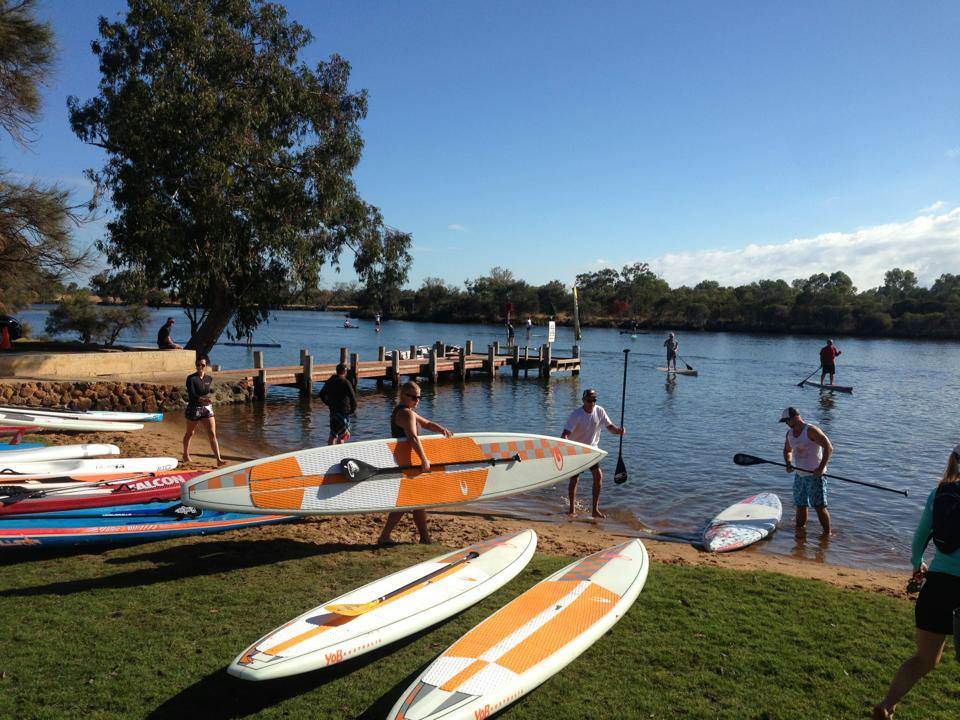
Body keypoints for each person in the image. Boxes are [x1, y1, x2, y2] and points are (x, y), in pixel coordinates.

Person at [872, 445, 960, 719]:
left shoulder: (940, 494)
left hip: (937, 586)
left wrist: (916, 563)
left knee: (924, 659)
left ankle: (887, 704)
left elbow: (921, 534)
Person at [377, 381, 454, 545]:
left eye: (419, 397)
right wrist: (424, 459)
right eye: (413, 397)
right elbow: (412, 437)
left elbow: (426, 423)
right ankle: (387, 537)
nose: (417, 400)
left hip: (404, 460)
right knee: (409, 500)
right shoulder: (406, 413)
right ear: (403, 396)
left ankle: (424, 538)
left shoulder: (406, 411)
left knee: (416, 500)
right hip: (407, 462)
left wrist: (442, 430)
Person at [562, 388, 625, 519]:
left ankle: (595, 510)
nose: (592, 403)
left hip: (592, 450)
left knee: (598, 476)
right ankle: (572, 509)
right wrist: (565, 445)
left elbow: (610, 427)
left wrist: (618, 431)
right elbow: (565, 434)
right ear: (583, 400)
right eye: (589, 400)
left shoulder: (600, 411)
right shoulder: (576, 415)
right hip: (576, 451)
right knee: (574, 479)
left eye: (594, 400)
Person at [780, 406, 833, 536]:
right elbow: (787, 450)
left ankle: (827, 534)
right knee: (800, 504)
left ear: (794, 418)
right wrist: (788, 463)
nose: (786, 424)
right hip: (800, 475)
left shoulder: (811, 430)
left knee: (819, 507)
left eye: (787, 421)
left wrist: (820, 469)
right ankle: (800, 533)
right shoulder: (790, 434)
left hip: (816, 476)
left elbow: (829, 448)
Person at [182, 355, 224, 465]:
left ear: (206, 366)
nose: (200, 367)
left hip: (206, 408)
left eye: (203, 365)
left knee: (212, 434)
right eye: (198, 365)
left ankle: (218, 459)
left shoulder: (209, 378)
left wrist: (211, 398)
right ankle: (185, 455)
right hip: (194, 407)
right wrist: (202, 399)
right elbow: (192, 394)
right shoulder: (191, 378)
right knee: (190, 433)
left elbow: (209, 392)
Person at [318, 363, 357, 444]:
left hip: (333, 412)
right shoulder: (346, 382)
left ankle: (331, 452)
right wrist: (353, 410)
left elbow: (321, 394)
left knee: (333, 434)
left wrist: (328, 403)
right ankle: (340, 452)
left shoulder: (330, 381)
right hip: (343, 412)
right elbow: (353, 397)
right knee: (345, 435)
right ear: (345, 372)